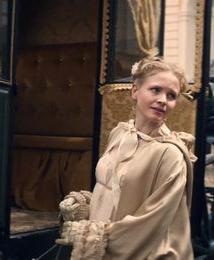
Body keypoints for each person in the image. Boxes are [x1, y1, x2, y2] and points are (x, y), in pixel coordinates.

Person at [56, 56, 197, 260]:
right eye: (156, 89)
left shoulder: (170, 154)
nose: (163, 100)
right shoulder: (120, 133)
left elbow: (151, 223)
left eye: (171, 95)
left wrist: (89, 237)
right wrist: (85, 206)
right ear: (135, 91)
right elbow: (114, 189)